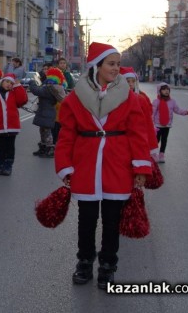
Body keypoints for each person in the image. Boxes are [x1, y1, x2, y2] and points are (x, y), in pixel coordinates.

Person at [55, 42, 151, 289]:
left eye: (118, 64)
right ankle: (85, 262)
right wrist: (65, 166)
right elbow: (66, 135)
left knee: (111, 220)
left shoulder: (128, 97)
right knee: (86, 219)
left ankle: (108, 265)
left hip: (117, 164)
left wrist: (140, 168)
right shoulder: (76, 98)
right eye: (111, 64)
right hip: (86, 165)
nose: (116, 68)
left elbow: (138, 133)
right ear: (97, 66)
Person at [0, 73, 27, 175]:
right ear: (2, 82)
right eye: (7, 82)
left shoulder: (14, 93)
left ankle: (8, 166)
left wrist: (18, 86)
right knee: (1, 148)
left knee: (10, 147)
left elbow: (22, 100)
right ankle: (1, 166)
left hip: (12, 126)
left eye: (11, 83)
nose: (9, 84)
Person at [119, 67, 159, 162]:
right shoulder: (116, 98)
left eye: (133, 81)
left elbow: (147, 120)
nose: (131, 84)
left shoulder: (141, 98)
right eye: (128, 81)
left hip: (139, 134)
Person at [28, 68, 66, 158]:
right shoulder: (54, 87)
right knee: (43, 131)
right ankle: (44, 148)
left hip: (47, 113)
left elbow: (37, 91)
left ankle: (49, 149)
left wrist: (32, 83)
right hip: (46, 112)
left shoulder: (51, 88)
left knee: (47, 132)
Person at [151, 82, 188, 163]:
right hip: (157, 125)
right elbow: (152, 113)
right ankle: (154, 154)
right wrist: (151, 124)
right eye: (164, 89)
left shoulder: (172, 101)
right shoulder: (156, 101)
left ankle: (161, 155)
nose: (166, 91)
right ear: (159, 91)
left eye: (167, 89)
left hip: (167, 125)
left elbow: (177, 110)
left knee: (164, 140)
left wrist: (186, 112)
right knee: (156, 140)